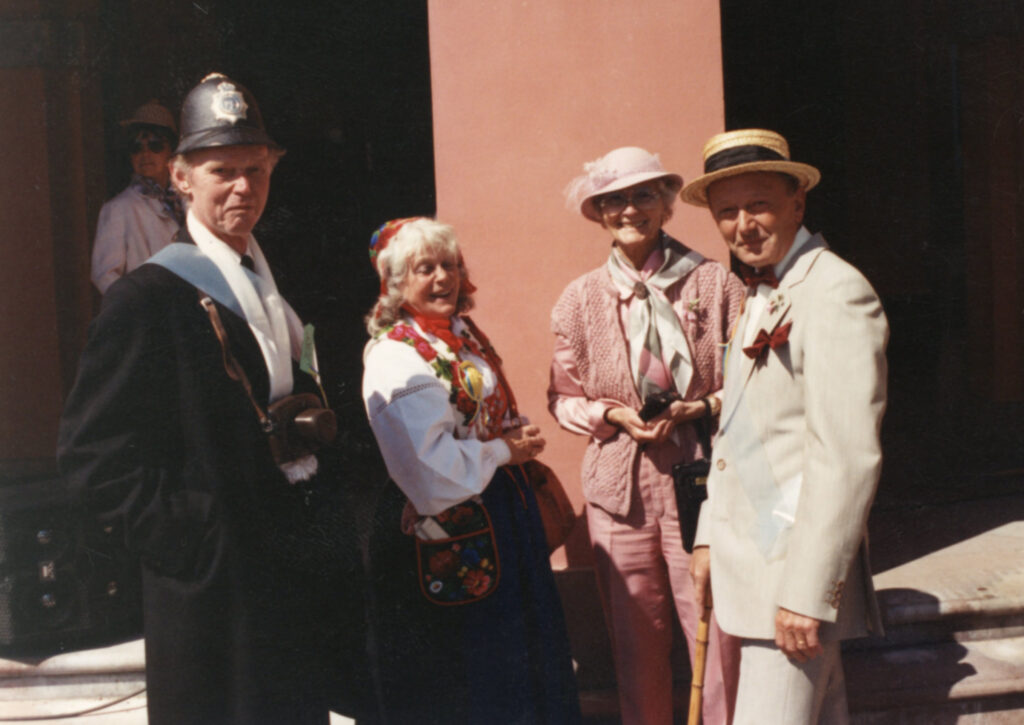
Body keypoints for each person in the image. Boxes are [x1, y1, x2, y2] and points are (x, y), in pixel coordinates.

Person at [58, 73, 348, 724]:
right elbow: (90, 458)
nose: (244, 186)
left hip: (285, 578)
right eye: (223, 169)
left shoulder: (264, 284)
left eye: (256, 168)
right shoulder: (146, 300)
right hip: (212, 599)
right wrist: (197, 540)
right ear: (182, 177)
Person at [682, 129, 888, 724]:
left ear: (798, 201)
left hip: (790, 588)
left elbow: (846, 457)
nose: (742, 224)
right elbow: (739, 435)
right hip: (752, 572)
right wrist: (707, 536)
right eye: (727, 212)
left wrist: (806, 594)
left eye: (759, 204)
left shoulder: (834, 291)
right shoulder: (762, 293)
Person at [549, 146, 743, 725]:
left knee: (717, 641)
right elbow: (562, 398)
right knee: (636, 649)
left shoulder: (715, 284)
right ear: (599, 213)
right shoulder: (578, 299)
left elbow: (752, 386)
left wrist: (697, 407)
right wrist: (613, 417)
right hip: (619, 491)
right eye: (614, 200)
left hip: (703, 478)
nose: (628, 209)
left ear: (664, 204)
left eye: (641, 196)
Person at [361, 217, 581, 724]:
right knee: (473, 673)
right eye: (425, 269)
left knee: (520, 659)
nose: (443, 278)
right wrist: (503, 451)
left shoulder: (461, 336)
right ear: (396, 284)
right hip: (453, 526)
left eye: (449, 265)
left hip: (499, 517)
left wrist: (508, 435)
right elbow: (427, 469)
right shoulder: (398, 356)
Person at [91, 100, 184, 293]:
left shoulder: (187, 201)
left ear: (172, 152)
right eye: (136, 147)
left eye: (155, 145)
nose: (145, 154)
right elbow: (104, 276)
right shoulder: (118, 208)